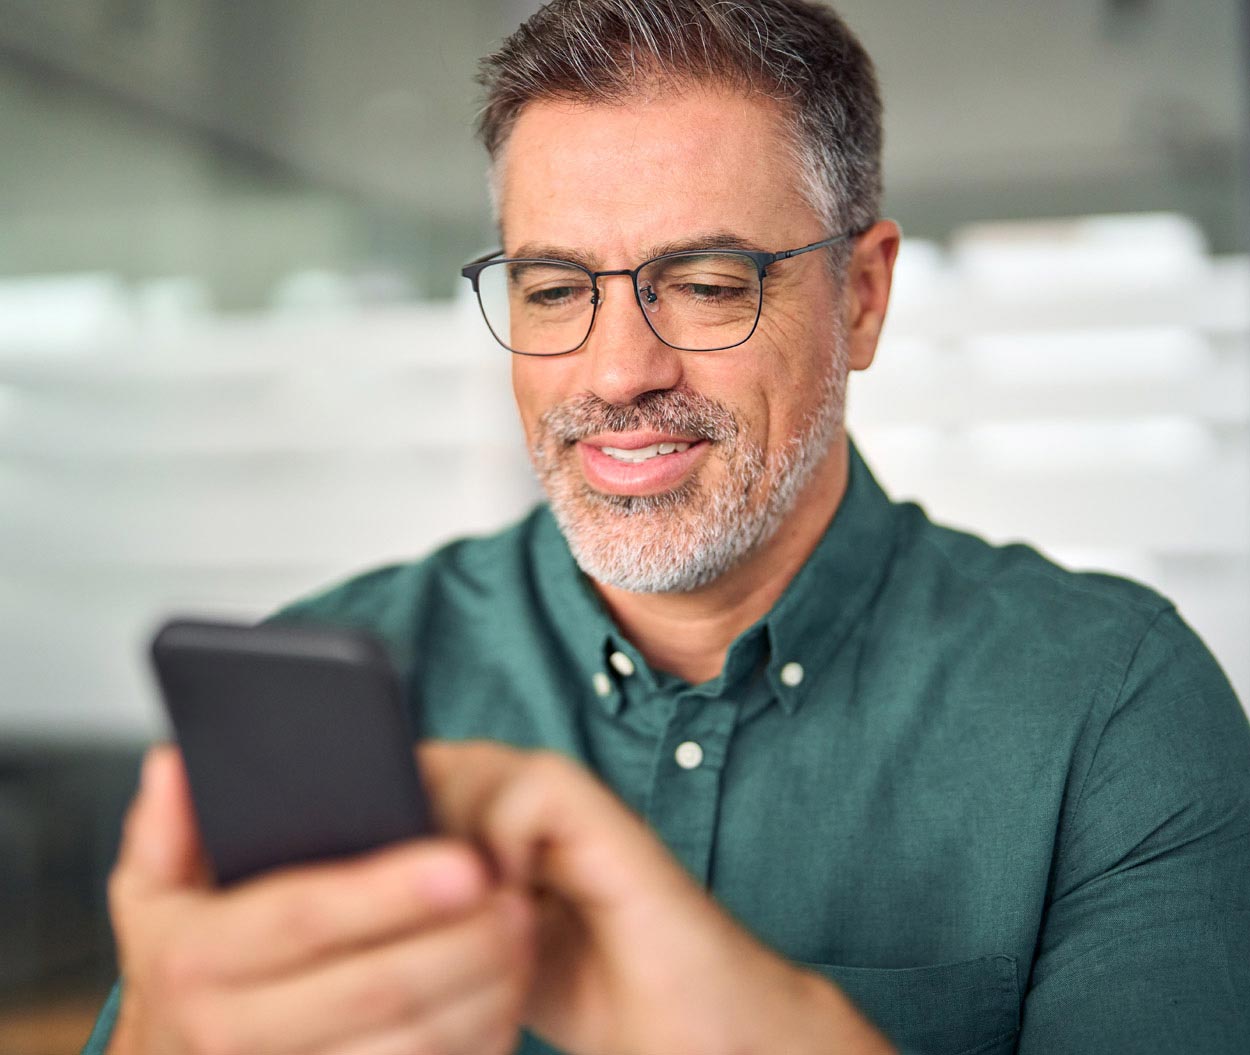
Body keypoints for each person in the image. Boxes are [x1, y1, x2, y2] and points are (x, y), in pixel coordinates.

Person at [84, 1, 1250, 1053]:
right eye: (551, 290)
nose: (617, 370)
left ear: (860, 296)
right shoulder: (337, 676)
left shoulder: (1112, 705)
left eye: (702, 281)